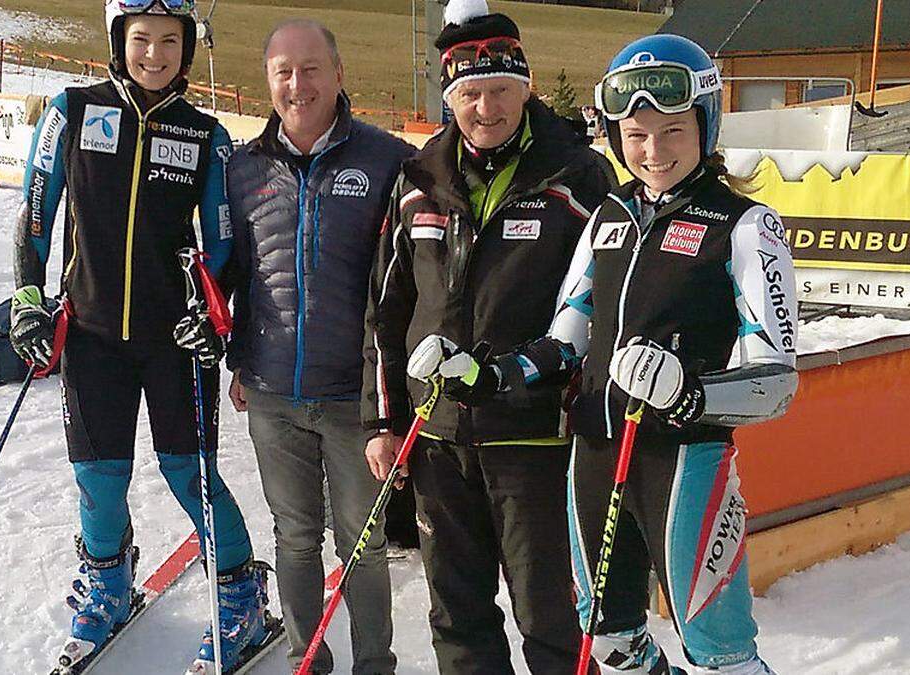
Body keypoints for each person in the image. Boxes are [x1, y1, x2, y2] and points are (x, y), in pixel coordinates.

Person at [422, 34, 798, 675]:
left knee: (721, 651)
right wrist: (487, 375)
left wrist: (690, 391)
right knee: (609, 643)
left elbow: (779, 381)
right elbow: (564, 339)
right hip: (594, 451)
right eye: (636, 134)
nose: (653, 151)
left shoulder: (744, 226)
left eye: (672, 131)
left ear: (705, 126)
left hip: (686, 461)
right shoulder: (609, 216)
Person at [10, 1, 269, 672]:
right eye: (141, 38)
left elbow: (220, 245)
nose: (154, 53)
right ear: (119, 39)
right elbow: (36, 215)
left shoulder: (206, 135)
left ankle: (240, 591)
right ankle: (109, 581)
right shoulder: (72, 109)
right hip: (92, 334)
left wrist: (213, 319)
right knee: (97, 476)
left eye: (170, 41)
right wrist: (28, 300)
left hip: (173, 342)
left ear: (187, 49)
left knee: (192, 473)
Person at [360, 1, 614, 672]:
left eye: (501, 90)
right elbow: (386, 310)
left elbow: (605, 305)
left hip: (535, 437)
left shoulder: (575, 174)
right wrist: (382, 419)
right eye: (469, 93)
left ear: (526, 88)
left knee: (554, 615)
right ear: (451, 97)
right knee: (458, 615)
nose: (487, 107)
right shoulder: (419, 178)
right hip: (438, 436)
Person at [223, 18, 414, 675]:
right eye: (284, 72)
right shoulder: (243, 169)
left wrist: (393, 396)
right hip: (273, 391)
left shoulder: (386, 160)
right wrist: (238, 356)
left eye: (311, 69)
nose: (298, 85)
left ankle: (375, 662)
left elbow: (406, 279)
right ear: (269, 81)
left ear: (338, 74)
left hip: (353, 398)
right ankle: (309, 657)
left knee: (362, 540)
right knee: (295, 536)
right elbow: (239, 272)